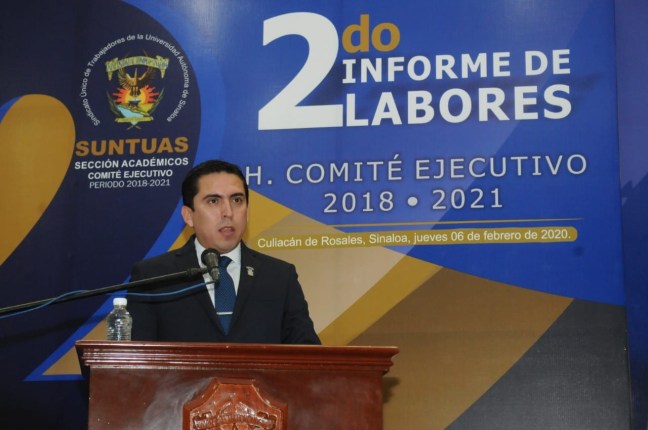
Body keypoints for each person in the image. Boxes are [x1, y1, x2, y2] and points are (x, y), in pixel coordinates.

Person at [127, 159, 320, 344]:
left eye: (237, 200)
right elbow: (136, 358)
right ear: (188, 215)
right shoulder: (154, 276)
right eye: (213, 201)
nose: (228, 212)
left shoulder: (279, 276)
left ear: (247, 211)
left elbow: (308, 353)